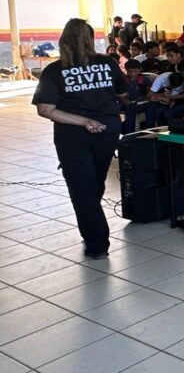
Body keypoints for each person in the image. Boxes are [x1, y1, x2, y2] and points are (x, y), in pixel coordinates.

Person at [33, 19, 128, 259]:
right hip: (107, 130)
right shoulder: (107, 63)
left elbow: (45, 109)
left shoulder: (54, 70)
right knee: (94, 183)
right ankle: (94, 230)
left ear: (63, 40)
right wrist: (91, 117)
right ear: (90, 39)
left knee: (83, 188)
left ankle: (97, 244)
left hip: (73, 136)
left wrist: (83, 121)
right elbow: (123, 92)